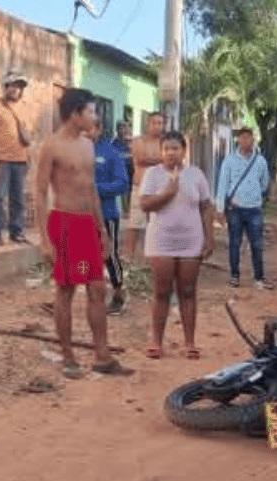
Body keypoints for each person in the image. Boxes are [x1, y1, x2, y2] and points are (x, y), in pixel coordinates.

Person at [33, 87, 134, 380]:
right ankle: (68, 356)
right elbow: (39, 193)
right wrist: (44, 239)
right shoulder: (51, 146)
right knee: (66, 290)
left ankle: (102, 356)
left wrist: (101, 231)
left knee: (97, 288)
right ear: (76, 113)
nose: (95, 117)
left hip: (87, 226)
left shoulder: (88, 145)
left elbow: (91, 191)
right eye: (91, 111)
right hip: (64, 226)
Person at [138, 131, 214, 360]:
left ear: (184, 150)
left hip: (190, 241)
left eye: (175, 148)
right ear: (161, 152)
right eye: (166, 149)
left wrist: (209, 238)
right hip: (161, 242)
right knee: (161, 292)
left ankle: (189, 342)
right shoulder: (152, 175)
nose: (171, 153)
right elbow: (145, 204)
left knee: (188, 292)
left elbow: (206, 207)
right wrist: (168, 192)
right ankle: (156, 341)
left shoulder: (196, 175)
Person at [215, 126, 273, 290]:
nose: (245, 141)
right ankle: (234, 275)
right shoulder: (229, 160)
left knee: (257, 244)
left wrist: (254, 194)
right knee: (234, 242)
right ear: (238, 140)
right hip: (235, 208)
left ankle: (258, 277)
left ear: (253, 139)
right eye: (242, 137)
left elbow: (265, 183)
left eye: (249, 137)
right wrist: (220, 209)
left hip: (254, 208)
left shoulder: (260, 161)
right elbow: (222, 184)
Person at [84, 120, 130, 316]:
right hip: (82, 214)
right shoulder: (78, 152)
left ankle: (119, 294)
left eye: (90, 128)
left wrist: (97, 190)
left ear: (100, 128)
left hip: (106, 214)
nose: (86, 132)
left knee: (109, 255)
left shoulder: (110, 153)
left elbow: (122, 183)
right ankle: (93, 296)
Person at [0, 71, 31, 246]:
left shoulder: (23, 108)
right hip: (2, 160)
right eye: (14, 86)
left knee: (18, 199)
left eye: (20, 87)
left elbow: (26, 136)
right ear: (5, 87)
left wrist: (28, 159)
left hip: (20, 160)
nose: (17, 90)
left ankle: (16, 232)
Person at [128, 112, 165, 264]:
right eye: (154, 122)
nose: (157, 126)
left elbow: (171, 162)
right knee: (135, 226)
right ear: (148, 124)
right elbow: (140, 159)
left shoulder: (165, 142)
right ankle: (128, 260)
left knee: (158, 227)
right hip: (140, 189)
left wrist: (157, 161)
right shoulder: (138, 141)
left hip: (160, 191)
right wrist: (160, 160)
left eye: (160, 123)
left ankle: (154, 263)